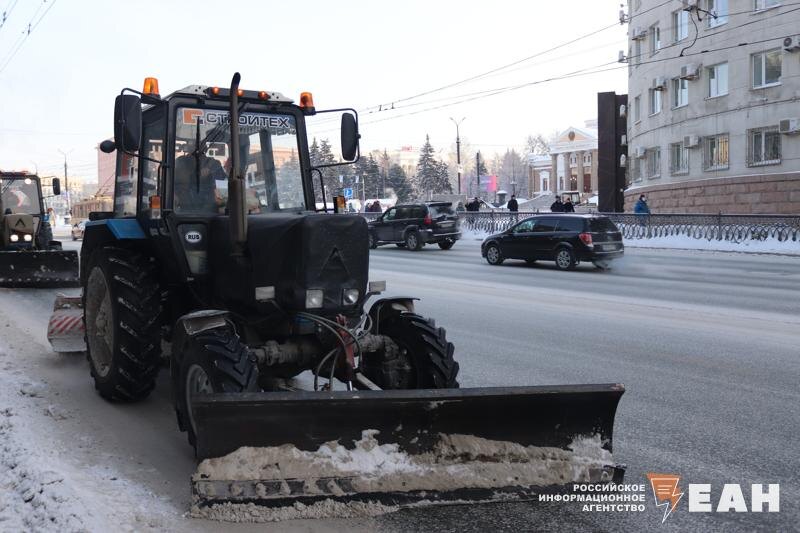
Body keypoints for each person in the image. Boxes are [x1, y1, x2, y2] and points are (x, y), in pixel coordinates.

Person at [173, 143, 227, 213]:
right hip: (183, 209)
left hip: (209, 209)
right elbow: (170, 181)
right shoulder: (181, 161)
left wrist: (209, 172)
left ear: (204, 148)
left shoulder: (214, 164)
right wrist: (174, 195)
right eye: (191, 143)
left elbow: (221, 188)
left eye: (196, 145)